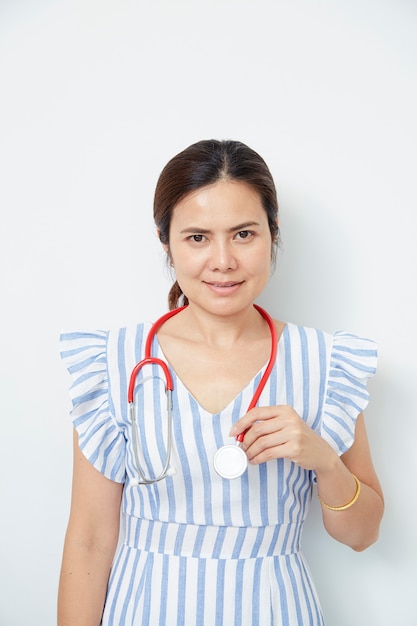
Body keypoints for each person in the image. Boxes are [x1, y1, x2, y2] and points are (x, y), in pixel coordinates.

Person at [58, 139, 384, 626]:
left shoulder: (325, 364)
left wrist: (324, 461)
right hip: (144, 609)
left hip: (274, 611)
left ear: (273, 234)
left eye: (244, 234)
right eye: (197, 237)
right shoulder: (115, 362)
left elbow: (362, 534)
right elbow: (88, 539)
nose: (224, 260)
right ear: (165, 241)